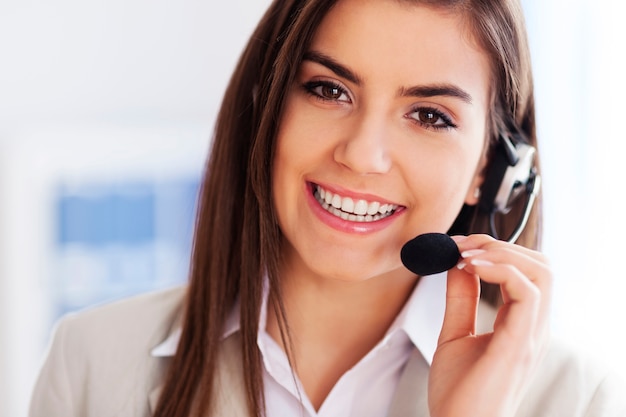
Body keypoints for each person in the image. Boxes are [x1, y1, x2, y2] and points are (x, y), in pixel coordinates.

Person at [29, 0, 625, 416]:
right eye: (328, 89)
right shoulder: (92, 361)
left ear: (488, 173)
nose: (363, 155)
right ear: (267, 109)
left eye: (429, 116)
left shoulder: (577, 400)